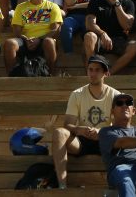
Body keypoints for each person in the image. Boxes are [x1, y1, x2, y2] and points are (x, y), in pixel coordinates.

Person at [52, 55, 120, 189]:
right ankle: (62, 185)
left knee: (123, 139)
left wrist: (101, 132)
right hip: (82, 140)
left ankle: (119, 185)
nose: (93, 74)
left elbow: (121, 126)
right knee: (59, 133)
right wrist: (79, 130)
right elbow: (68, 124)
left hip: (105, 141)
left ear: (105, 73)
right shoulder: (77, 94)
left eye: (97, 70)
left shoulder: (116, 95)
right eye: (90, 70)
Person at [4, 0, 63, 76]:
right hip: (25, 41)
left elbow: (55, 30)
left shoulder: (53, 7)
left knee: (49, 41)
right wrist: (26, 39)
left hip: (43, 41)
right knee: (10, 43)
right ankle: (11, 77)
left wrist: (39, 39)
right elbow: (17, 31)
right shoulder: (20, 7)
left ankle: (52, 76)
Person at [85, 0, 136, 74]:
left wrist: (117, 4)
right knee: (89, 36)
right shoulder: (95, 2)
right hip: (100, 38)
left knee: (134, 46)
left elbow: (127, 25)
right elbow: (89, 24)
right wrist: (102, 34)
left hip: (119, 39)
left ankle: (108, 74)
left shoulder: (128, 3)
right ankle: (91, 70)